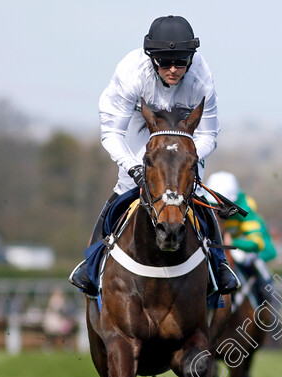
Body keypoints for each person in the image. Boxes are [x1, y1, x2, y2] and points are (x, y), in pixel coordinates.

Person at [69, 15, 238, 297]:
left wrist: (190, 161)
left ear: (191, 58)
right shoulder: (131, 73)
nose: (173, 69)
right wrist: (133, 167)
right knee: (124, 190)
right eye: (165, 62)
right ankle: (91, 263)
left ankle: (219, 265)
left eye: (181, 62)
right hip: (140, 133)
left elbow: (208, 134)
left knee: (196, 197)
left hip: (185, 140)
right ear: (151, 58)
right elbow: (112, 133)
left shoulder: (201, 77)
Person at [204, 171, 276, 301]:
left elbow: (257, 243)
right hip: (219, 245)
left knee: (246, 259)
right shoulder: (204, 203)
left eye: (224, 204)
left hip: (247, 247)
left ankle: (266, 302)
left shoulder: (244, 207)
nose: (218, 209)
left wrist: (234, 243)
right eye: (214, 204)